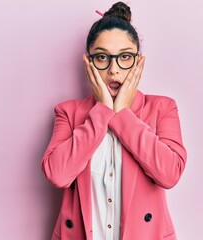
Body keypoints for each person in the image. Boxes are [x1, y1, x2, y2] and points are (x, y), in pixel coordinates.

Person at [41, 2, 187, 240]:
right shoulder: (67, 113)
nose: (113, 69)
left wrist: (123, 116)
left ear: (139, 61)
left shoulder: (163, 108)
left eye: (125, 57)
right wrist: (102, 112)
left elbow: (170, 174)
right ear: (88, 63)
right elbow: (57, 174)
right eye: (101, 57)